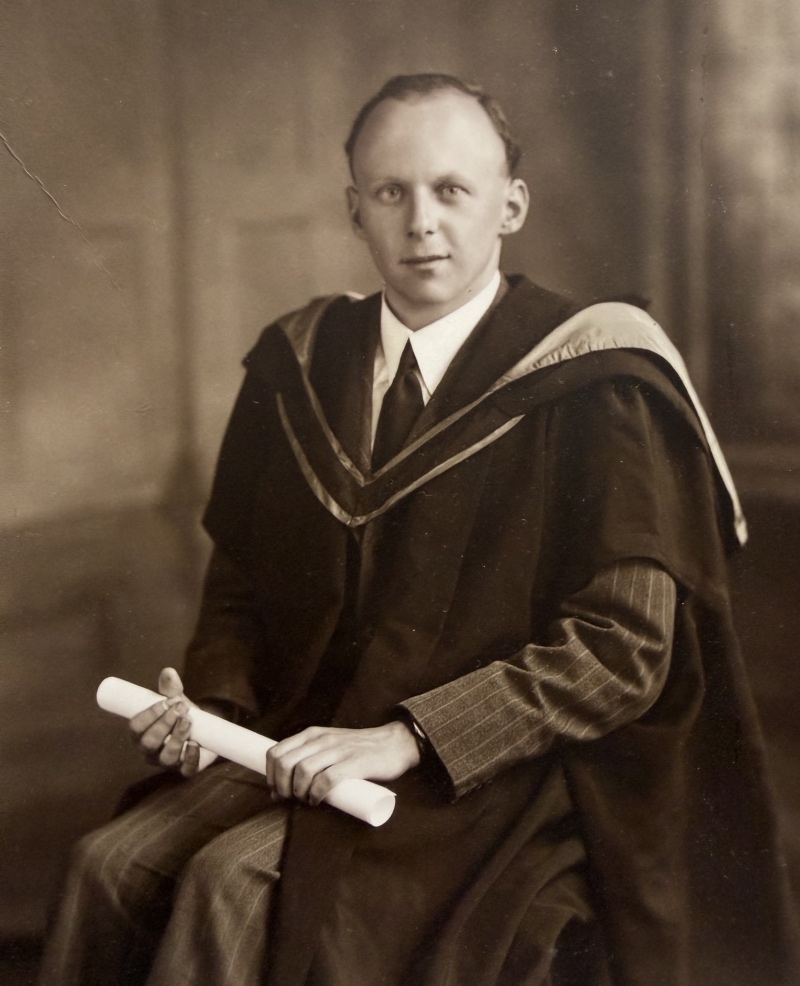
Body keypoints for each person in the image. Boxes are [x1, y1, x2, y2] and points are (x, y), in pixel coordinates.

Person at [39, 74, 798, 986]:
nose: (421, 222)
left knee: (230, 885)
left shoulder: (598, 374)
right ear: (352, 208)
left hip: (496, 769)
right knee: (108, 866)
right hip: (301, 738)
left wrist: (409, 737)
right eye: (391, 193)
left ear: (509, 205)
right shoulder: (299, 364)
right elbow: (242, 584)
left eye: (452, 190)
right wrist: (213, 715)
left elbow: (624, 646)